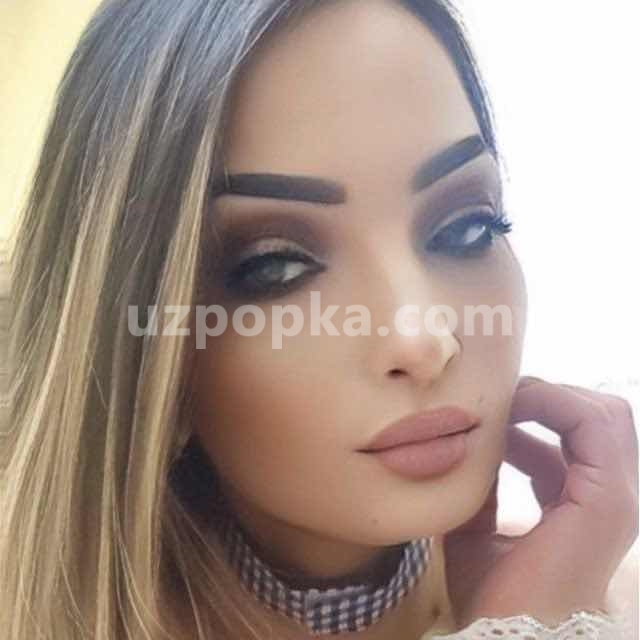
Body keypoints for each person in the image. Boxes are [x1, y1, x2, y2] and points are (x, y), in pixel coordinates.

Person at [1, 0, 637, 638]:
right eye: (275, 267)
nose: (424, 341)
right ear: (137, 346)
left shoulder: (595, 592)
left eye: (468, 228)